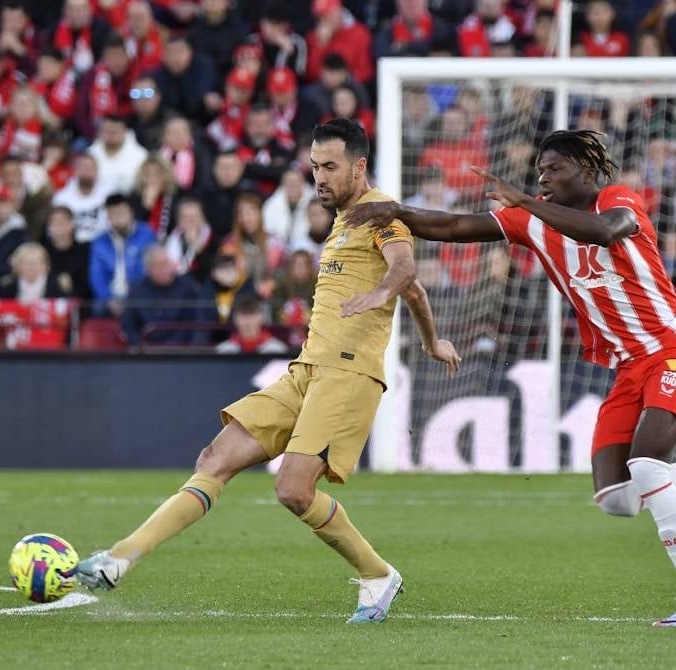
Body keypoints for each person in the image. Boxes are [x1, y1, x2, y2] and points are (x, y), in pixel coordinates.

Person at [345, 129, 676, 627]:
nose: (543, 177)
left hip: (674, 348)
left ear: (586, 171)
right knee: (618, 500)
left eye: (554, 169)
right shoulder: (533, 222)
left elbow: (607, 231)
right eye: (539, 171)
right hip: (628, 367)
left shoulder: (616, 199)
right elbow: (452, 225)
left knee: (647, 468)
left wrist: (527, 201)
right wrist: (397, 212)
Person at [76, 119, 461, 625]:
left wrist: (380, 293)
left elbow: (405, 271)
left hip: (348, 374)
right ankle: (118, 559)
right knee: (216, 457)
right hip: (306, 371)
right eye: (315, 166)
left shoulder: (378, 212)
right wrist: (433, 340)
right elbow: (416, 292)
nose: (319, 178)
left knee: (293, 490)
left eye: (330, 167)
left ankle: (377, 574)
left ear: (359, 166)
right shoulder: (343, 219)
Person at [120, 245, 205, 346]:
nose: (166, 269)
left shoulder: (187, 288)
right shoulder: (136, 290)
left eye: (168, 263)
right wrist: (139, 346)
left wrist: (169, 348)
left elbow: (190, 324)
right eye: (160, 265)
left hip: (179, 351)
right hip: (144, 352)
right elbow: (128, 324)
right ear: (148, 270)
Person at [89, 192, 157, 316]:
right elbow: (97, 277)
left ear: (131, 212)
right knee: (96, 309)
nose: (119, 217)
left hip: (138, 296)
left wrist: (131, 298)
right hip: (109, 298)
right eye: (114, 214)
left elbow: (147, 271)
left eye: (122, 212)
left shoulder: (146, 234)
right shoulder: (99, 242)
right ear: (108, 218)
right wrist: (109, 299)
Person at [214, 294, 288, 353]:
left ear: (261, 318)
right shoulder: (223, 351)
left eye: (252, 315)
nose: (247, 322)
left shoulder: (277, 350)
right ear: (235, 319)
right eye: (243, 316)